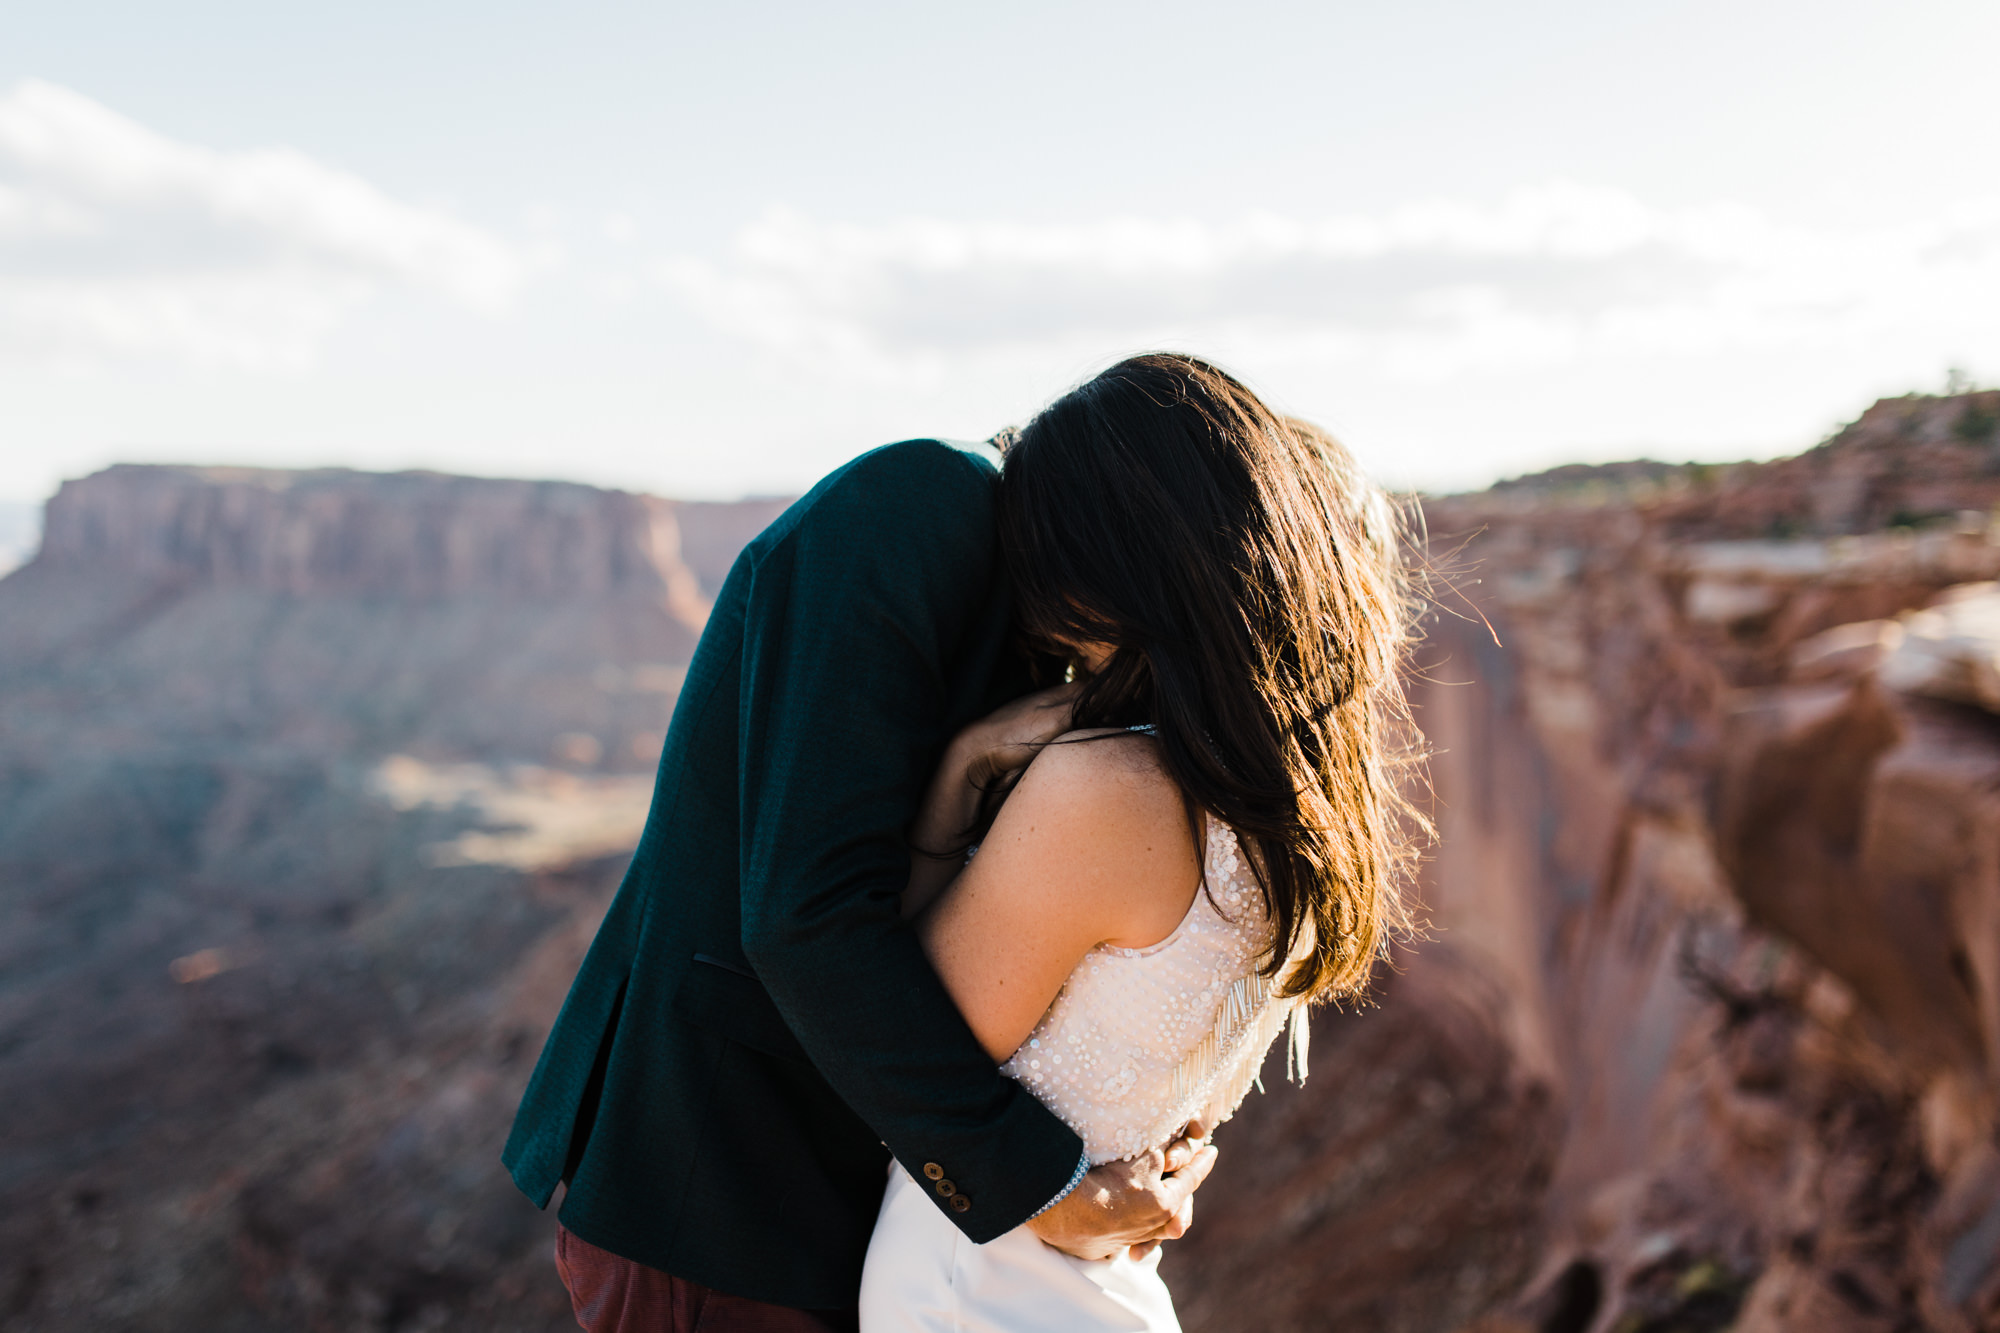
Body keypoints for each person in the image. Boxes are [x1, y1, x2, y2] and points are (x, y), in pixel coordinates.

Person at [503, 428, 1215, 1332]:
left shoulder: (1038, 616)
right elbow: (804, 914)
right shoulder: (911, 504)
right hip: (722, 1188)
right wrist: (1046, 1186)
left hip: (848, 1204)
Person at [858, 353, 1424, 1330]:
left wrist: (952, 787)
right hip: (1103, 1287)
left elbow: (893, 1045)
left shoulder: (1104, 794)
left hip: (973, 1283)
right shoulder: (1299, 813)